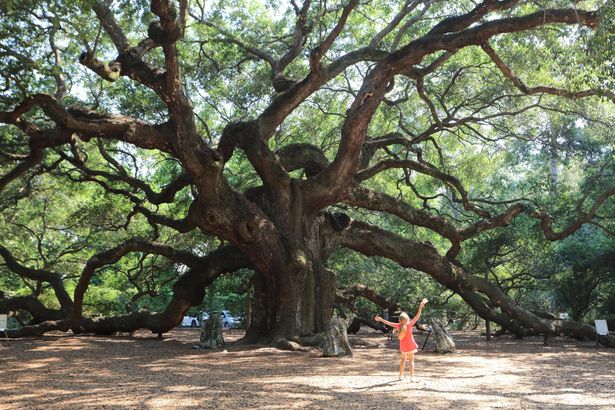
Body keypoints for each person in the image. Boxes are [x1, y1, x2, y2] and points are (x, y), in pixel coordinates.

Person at [375, 298, 428, 381]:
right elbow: (417, 316)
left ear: (400, 320)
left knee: (403, 360)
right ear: (407, 319)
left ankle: (400, 376)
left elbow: (388, 323)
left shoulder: (398, 326)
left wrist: (381, 319)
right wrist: (420, 307)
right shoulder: (410, 324)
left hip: (403, 346)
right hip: (411, 345)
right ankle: (412, 377)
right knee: (411, 361)